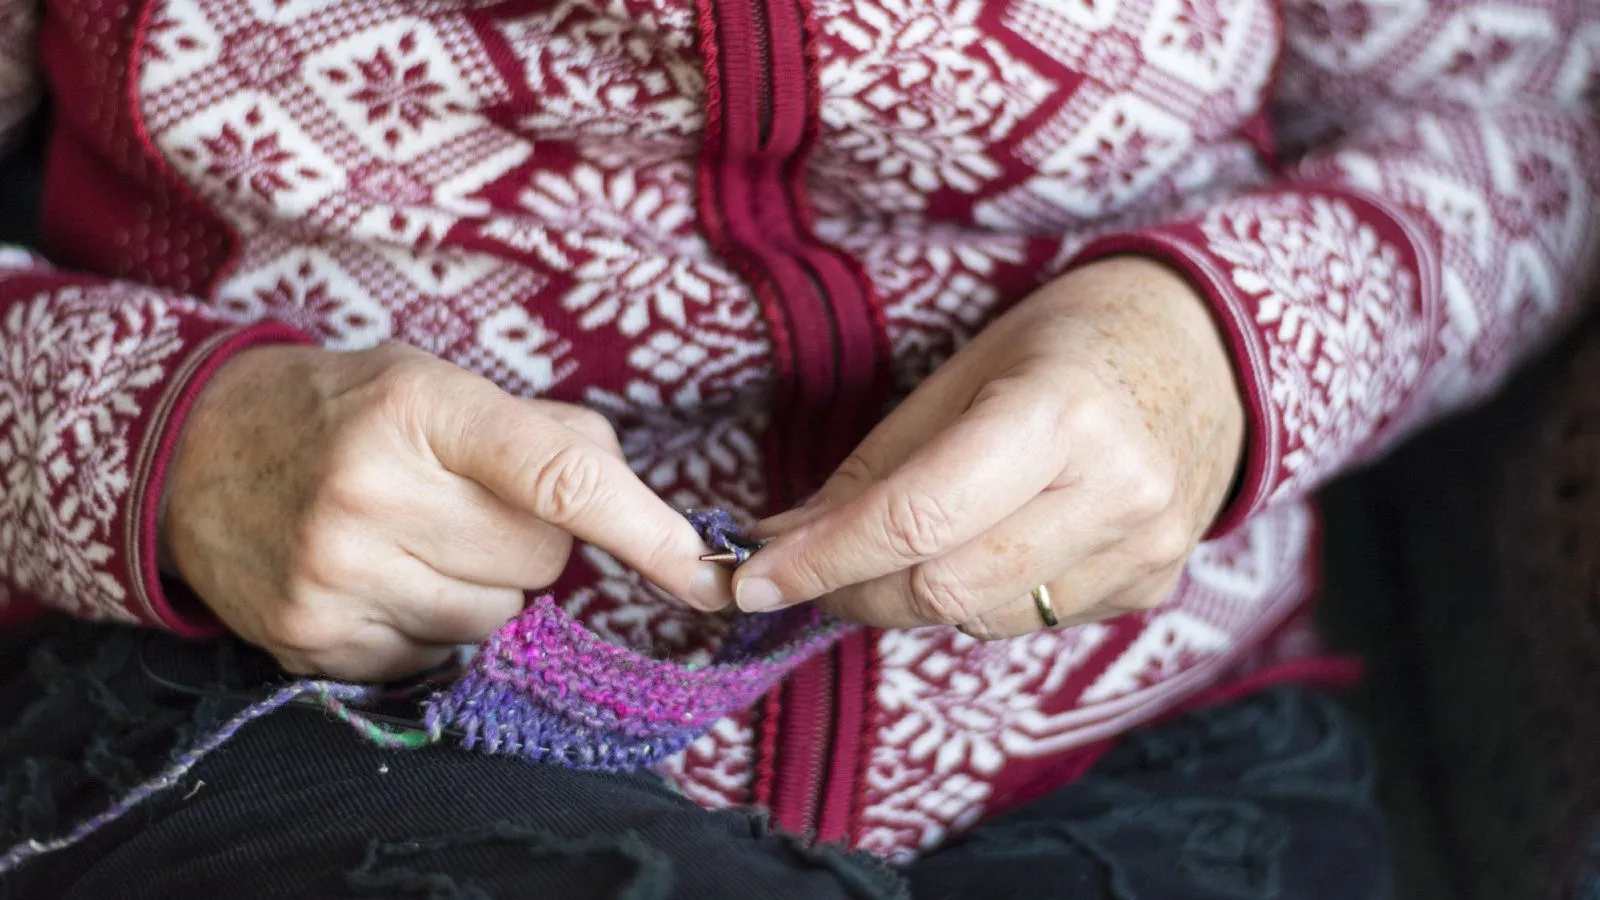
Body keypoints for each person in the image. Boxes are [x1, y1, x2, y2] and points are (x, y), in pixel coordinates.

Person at [0, 0, 1593, 896]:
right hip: (292, 725)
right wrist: (165, 443)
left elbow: (1535, 111)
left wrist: (1217, 362)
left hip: (1145, 752)